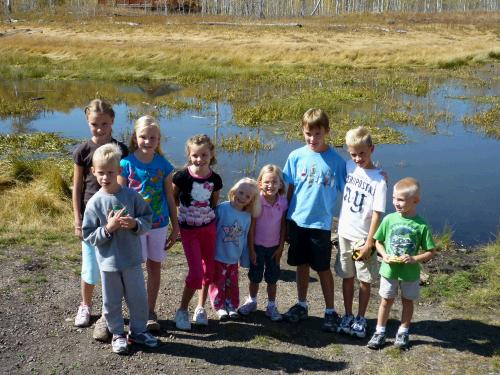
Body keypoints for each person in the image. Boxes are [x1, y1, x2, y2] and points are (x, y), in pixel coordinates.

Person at [82, 143, 158, 354]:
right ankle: (117, 332)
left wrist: (135, 224)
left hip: (132, 259)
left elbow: (147, 218)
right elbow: (89, 235)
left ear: (119, 171)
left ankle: (138, 331)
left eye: (110, 172)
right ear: (93, 172)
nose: (105, 177)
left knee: (138, 299)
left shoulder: (131, 196)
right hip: (108, 264)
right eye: (101, 173)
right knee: (111, 301)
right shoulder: (94, 203)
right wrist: (108, 228)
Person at [282, 108, 346, 332]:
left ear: (326, 132)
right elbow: (288, 188)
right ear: (303, 131)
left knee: (322, 267)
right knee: (301, 264)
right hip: (297, 220)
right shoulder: (295, 156)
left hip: (321, 224)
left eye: (317, 134)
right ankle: (302, 303)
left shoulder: (337, 162)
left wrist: (375, 173)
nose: (312, 139)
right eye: (308, 133)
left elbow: (350, 190)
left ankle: (330, 310)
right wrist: (283, 217)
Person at [72, 99, 128, 342]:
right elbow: (76, 187)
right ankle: (85, 305)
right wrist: (77, 219)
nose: (100, 128)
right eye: (95, 124)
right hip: (90, 218)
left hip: (114, 216)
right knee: (90, 266)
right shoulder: (82, 150)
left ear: (112, 121)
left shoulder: (120, 149)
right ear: (88, 122)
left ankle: (110, 310)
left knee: (112, 266)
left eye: (105, 123)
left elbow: (125, 183)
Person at [118, 115, 180, 332]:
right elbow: (119, 197)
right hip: (134, 225)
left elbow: (170, 198)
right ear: (135, 137)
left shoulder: (164, 166)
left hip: (159, 224)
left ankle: (150, 310)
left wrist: (176, 227)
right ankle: (136, 310)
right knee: (134, 268)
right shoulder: (125, 164)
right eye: (143, 137)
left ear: (158, 140)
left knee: (154, 266)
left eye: (152, 137)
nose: (147, 141)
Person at [367, 177, 436, 350]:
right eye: (394, 198)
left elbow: (431, 251)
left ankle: (403, 331)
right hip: (389, 270)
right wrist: (384, 255)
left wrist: (415, 259)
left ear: (416, 200)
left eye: (401, 200)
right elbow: (378, 242)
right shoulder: (389, 219)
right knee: (386, 301)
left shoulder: (421, 225)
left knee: (407, 302)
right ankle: (380, 331)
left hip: (410, 273)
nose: (396, 203)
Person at [334, 126, 387, 338]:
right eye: (353, 154)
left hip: (362, 239)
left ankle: (361, 317)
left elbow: (377, 214)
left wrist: (369, 242)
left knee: (364, 280)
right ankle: (347, 314)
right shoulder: (348, 166)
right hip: (344, 233)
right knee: (347, 276)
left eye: (362, 153)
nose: (358, 158)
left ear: (372, 149)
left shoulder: (379, 180)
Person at [172, 134, 223, 330]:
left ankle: (200, 307)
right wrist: (180, 219)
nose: (199, 159)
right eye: (195, 155)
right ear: (189, 155)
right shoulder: (182, 177)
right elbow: (173, 198)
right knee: (195, 273)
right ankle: (182, 310)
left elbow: (214, 201)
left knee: (208, 271)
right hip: (189, 230)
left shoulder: (215, 179)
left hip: (208, 228)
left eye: (204, 155)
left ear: (211, 155)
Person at [238, 165, 288, 321]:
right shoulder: (256, 200)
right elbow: (252, 227)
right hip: (257, 246)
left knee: (272, 278)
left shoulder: (283, 202)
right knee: (255, 276)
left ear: (280, 184)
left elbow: (283, 225)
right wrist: (251, 249)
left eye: (274, 182)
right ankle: (252, 301)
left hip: (274, 247)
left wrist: (281, 247)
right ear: (259, 183)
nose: (270, 186)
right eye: (266, 182)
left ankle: (271, 305)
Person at [209, 178, 261, 320]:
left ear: (251, 200)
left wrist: (245, 258)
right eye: (241, 192)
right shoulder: (222, 208)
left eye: (247, 196)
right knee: (218, 281)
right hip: (218, 255)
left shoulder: (247, 216)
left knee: (232, 283)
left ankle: (231, 305)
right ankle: (219, 307)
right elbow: (212, 230)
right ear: (234, 191)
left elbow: (245, 239)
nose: (242, 197)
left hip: (233, 257)